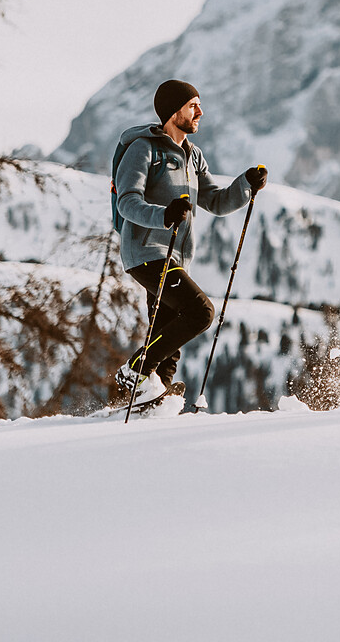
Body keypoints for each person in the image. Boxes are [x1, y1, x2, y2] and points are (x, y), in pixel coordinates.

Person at [110, 78, 267, 410]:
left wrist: (246, 185)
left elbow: (216, 201)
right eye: (194, 105)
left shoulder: (193, 157)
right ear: (173, 110)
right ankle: (136, 369)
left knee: (168, 340)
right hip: (146, 252)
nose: (201, 112)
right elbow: (127, 202)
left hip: (177, 256)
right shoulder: (142, 149)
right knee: (200, 312)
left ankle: (151, 402)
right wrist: (164, 215)